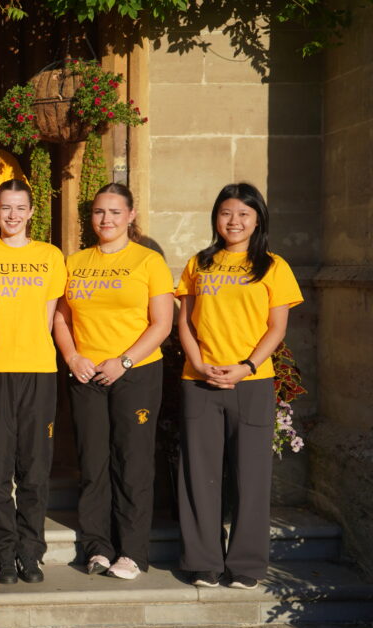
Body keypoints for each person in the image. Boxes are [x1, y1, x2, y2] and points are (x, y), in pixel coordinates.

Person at [176, 183, 303, 590]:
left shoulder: (273, 266)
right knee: (200, 474)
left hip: (252, 382)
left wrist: (246, 366)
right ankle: (204, 562)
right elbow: (185, 320)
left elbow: (277, 327)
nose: (234, 221)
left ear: (258, 219)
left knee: (250, 475)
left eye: (243, 214)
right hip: (200, 380)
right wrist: (198, 362)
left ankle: (246, 564)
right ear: (216, 217)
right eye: (226, 213)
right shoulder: (199, 263)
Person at [53, 183, 174, 581]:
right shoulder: (76, 262)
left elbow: (162, 323)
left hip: (135, 373)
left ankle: (132, 552)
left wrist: (123, 361)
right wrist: (72, 356)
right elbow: (61, 317)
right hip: (86, 374)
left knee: (133, 462)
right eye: (99, 212)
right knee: (93, 461)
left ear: (131, 215)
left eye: (115, 212)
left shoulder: (148, 261)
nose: (107, 220)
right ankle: (97, 547)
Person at [0, 180, 66, 585]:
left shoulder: (49, 256)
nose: (12, 215)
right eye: (5, 208)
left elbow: (49, 317)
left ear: (31, 213)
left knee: (34, 468)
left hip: (38, 370)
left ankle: (31, 552)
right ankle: (2, 552)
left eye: (19, 208)